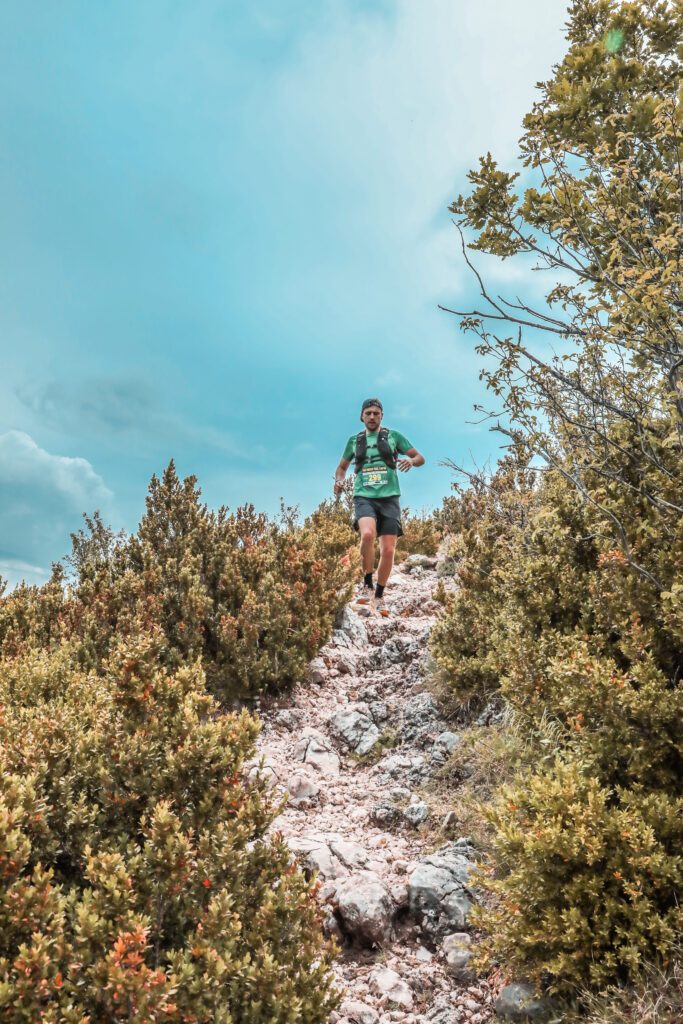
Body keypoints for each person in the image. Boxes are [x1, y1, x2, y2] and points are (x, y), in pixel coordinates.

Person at [333, 398, 425, 617]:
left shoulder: (393, 437)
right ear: (362, 417)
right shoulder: (354, 441)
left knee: (389, 550)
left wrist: (410, 462)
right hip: (364, 495)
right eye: (368, 413)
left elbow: (420, 457)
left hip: (390, 497)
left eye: (376, 413)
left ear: (382, 415)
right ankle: (366, 583)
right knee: (366, 535)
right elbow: (342, 468)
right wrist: (339, 480)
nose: (372, 417)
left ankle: (379, 596)